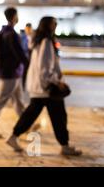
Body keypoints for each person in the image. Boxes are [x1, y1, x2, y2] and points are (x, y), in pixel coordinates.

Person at [6, 17, 82, 156]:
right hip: (46, 88)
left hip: (39, 88)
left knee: (30, 115)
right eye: (54, 23)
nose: (56, 25)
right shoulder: (46, 42)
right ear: (48, 26)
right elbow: (44, 68)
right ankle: (64, 146)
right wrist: (56, 82)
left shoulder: (38, 41)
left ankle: (13, 137)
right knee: (59, 117)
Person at [0, 7, 28, 138]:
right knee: (0, 100)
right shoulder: (12, 34)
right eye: (17, 15)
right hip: (11, 73)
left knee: (18, 101)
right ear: (14, 17)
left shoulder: (3, 32)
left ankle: (26, 123)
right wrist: (29, 64)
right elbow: (19, 54)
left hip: (10, 72)